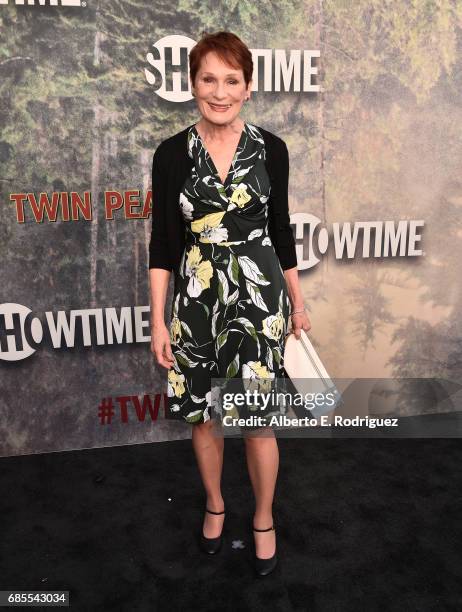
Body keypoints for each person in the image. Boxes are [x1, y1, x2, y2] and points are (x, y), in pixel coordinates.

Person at [149, 31, 311, 577]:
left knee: (258, 420)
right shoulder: (171, 154)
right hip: (195, 301)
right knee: (205, 418)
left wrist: (297, 299)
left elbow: (282, 232)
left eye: (231, 80)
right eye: (208, 79)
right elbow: (163, 246)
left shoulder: (272, 149)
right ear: (193, 84)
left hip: (259, 297)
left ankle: (263, 518)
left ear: (248, 87)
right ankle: (216, 504)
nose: (219, 92)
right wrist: (158, 321)